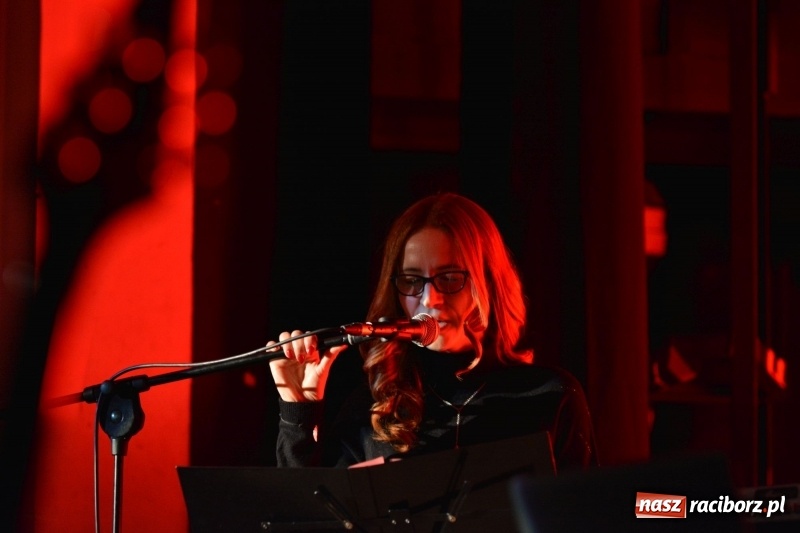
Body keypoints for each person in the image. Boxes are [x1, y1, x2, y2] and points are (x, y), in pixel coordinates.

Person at [267, 192, 597, 472]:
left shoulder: (550, 396)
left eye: (449, 277)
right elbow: (312, 517)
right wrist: (299, 410)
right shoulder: (373, 406)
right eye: (411, 281)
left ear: (489, 283)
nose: (429, 300)